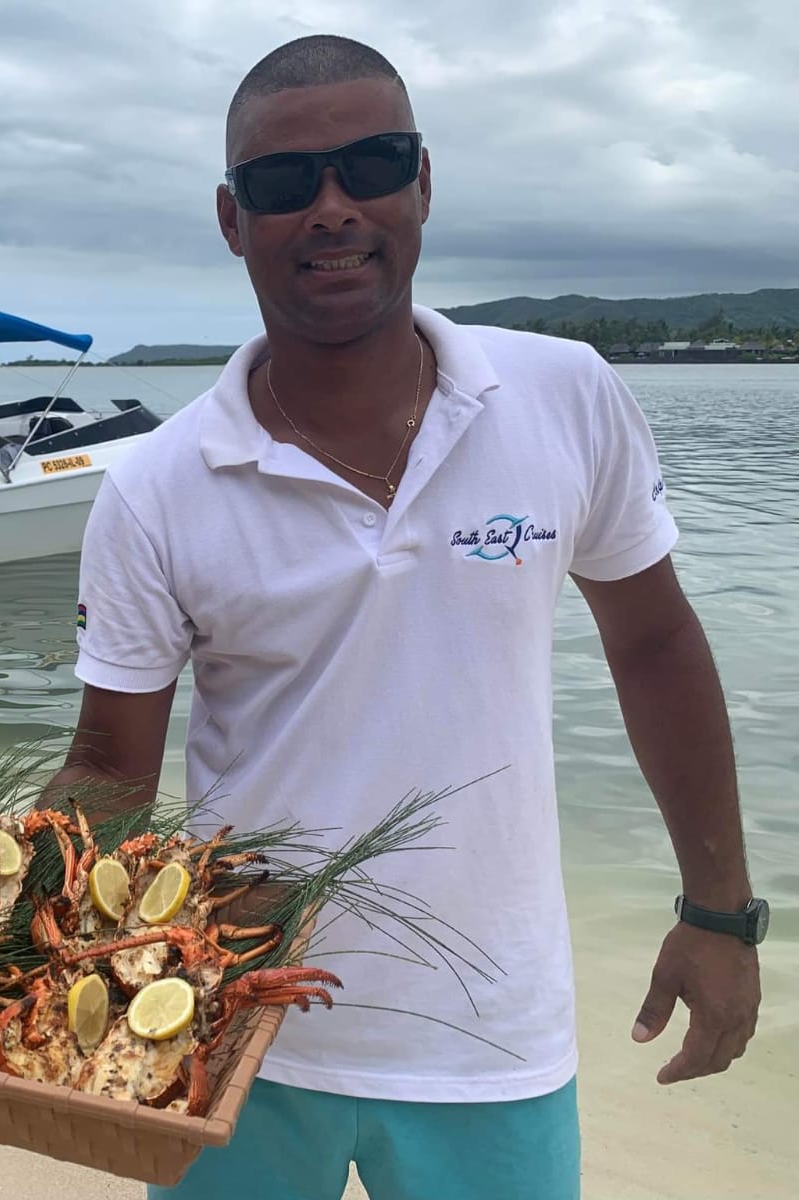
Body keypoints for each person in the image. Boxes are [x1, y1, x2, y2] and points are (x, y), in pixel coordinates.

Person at [47, 33, 765, 1200]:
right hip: (224, 1030)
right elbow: (107, 771)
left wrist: (721, 916)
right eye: (285, 185)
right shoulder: (154, 486)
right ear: (232, 220)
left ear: (421, 182)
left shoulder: (563, 393)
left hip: (492, 1041)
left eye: (370, 165)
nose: (332, 209)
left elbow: (655, 645)